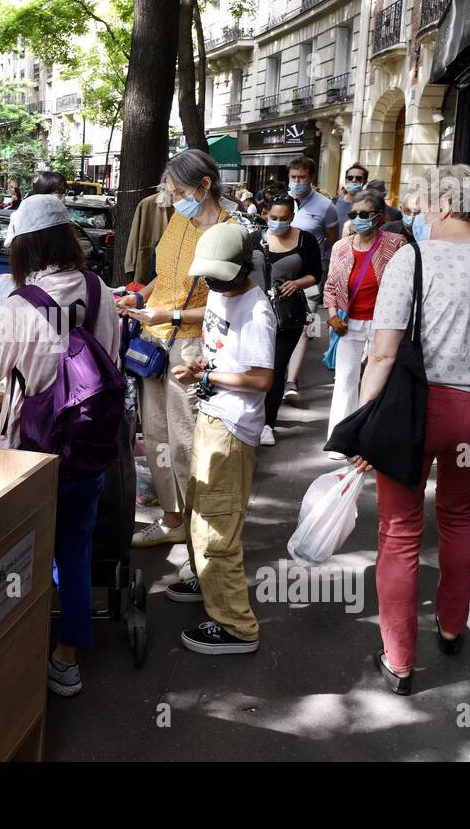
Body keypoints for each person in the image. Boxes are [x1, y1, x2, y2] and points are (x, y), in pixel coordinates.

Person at [350, 164, 470, 696]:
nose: (414, 212)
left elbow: (384, 352)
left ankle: (400, 661)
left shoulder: (407, 261)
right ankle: (453, 628)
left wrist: (364, 424)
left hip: (416, 409)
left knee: (400, 529)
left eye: (419, 203)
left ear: (441, 205)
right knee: (459, 515)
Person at [0, 194, 120, 696]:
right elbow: (108, 361)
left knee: (17, 550)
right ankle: (66, 658)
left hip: (32, 451)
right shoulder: (100, 292)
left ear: (24, 249)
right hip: (88, 447)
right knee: (75, 550)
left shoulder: (23, 305)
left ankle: (16, 649)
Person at [167, 222, 275, 654]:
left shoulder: (257, 311)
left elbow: (263, 378)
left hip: (232, 426)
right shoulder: (221, 290)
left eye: (217, 275)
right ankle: (205, 581)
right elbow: (216, 334)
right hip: (213, 415)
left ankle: (235, 626)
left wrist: (206, 374)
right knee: (199, 507)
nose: (211, 283)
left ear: (242, 267)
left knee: (216, 527)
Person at [117, 150, 231, 550]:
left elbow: (225, 305)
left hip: (191, 345)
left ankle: (201, 540)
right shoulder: (179, 220)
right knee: (159, 438)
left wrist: (174, 314)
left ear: (205, 185)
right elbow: (162, 275)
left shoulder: (228, 230)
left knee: (187, 441)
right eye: (170, 191)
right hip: (154, 339)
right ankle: (171, 519)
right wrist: (139, 297)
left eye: (179, 190)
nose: (174, 198)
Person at [323, 189, 408, 458]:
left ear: (379, 217)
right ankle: (340, 440)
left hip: (384, 323)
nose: (357, 219)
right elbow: (331, 285)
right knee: (345, 379)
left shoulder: (397, 244)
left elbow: (405, 285)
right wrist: (332, 314)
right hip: (349, 322)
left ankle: (371, 441)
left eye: (363, 214)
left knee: (378, 380)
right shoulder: (341, 247)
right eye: (353, 214)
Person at [253, 195, 321, 446]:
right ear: (265, 215)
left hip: (287, 315)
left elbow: (316, 273)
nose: (278, 223)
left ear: (292, 216)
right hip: (255, 314)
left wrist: (297, 283)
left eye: (283, 219)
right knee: (253, 366)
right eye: (273, 218)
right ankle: (253, 416)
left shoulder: (306, 240)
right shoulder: (254, 239)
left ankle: (268, 423)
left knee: (276, 367)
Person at [281, 156, 340, 407]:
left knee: (305, 328)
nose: (297, 182)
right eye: (293, 178)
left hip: (309, 277)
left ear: (311, 178)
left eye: (302, 178)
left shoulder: (326, 206)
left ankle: (291, 382)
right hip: (279, 276)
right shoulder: (281, 203)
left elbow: (331, 241)